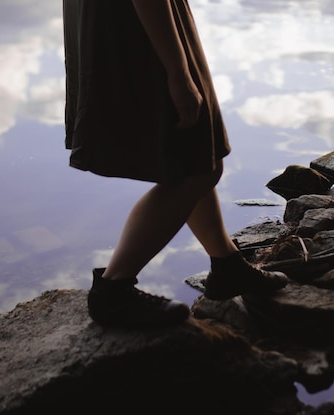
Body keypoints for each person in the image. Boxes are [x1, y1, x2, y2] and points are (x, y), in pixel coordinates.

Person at [62, 0, 288, 328]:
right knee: (199, 165)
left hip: (121, 20)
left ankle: (227, 266)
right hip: (140, 29)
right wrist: (178, 73)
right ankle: (113, 291)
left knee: (194, 159)